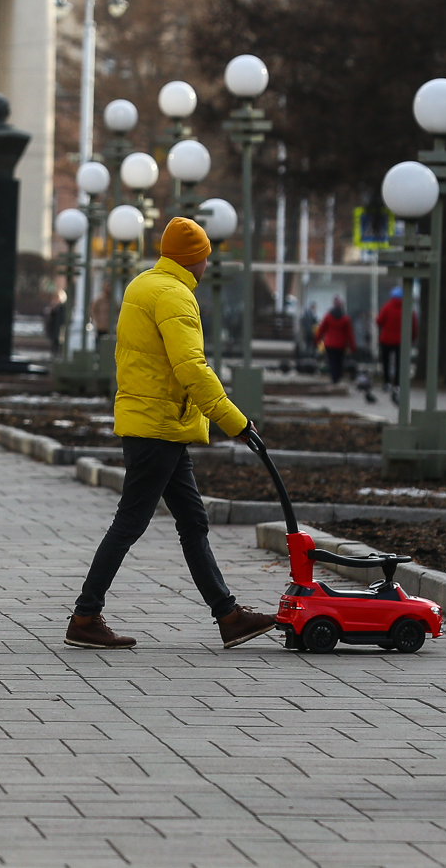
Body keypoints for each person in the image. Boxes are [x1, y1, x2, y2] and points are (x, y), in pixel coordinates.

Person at [66, 216, 279, 652]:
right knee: (130, 521)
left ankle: (229, 615)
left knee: (192, 522)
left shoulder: (144, 284)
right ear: (195, 259)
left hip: (158, 423)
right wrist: (234, 422)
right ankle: (85, 616)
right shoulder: (175, 296)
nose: (206, 265)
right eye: (204, 257)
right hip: (158, 427)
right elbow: (190, 369)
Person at [374, 286, 417, 396]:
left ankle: (386, 383)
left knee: (386, 362)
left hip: (386, 339)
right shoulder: (408, 308)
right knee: (399, 363)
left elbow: (379, 321)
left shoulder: (387, 307)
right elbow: (414, 325)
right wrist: (412, 338)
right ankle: (398, 384)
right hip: (401, 341)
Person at [315, 297, 355, 384]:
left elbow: (321, 330)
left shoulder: (328, 317)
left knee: (332, 362)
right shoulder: (345, 319)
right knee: (339, 361)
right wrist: (352, 346)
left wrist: (317, 341)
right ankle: (338, 377)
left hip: (329, 343)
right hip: (341, 344)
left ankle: (334, 378)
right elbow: (349, 334)